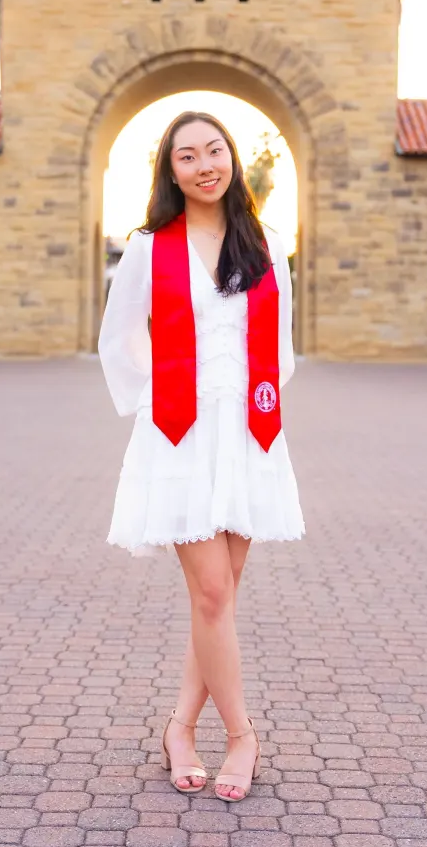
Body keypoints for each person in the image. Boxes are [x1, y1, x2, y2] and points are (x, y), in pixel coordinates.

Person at [98, 110, 305, 803]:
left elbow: (280, 343)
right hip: (181, 432)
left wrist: (262, 405)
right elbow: (119, 338)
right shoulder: (149, 248)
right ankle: (243, 735)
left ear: (232, 159)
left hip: (248, 432)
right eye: (187, 155)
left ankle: (179, 727)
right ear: (171, 170)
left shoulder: (267, 244)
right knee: (214, 592)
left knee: (215, 598)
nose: (204, 163)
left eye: (214, 149)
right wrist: (156, 400)